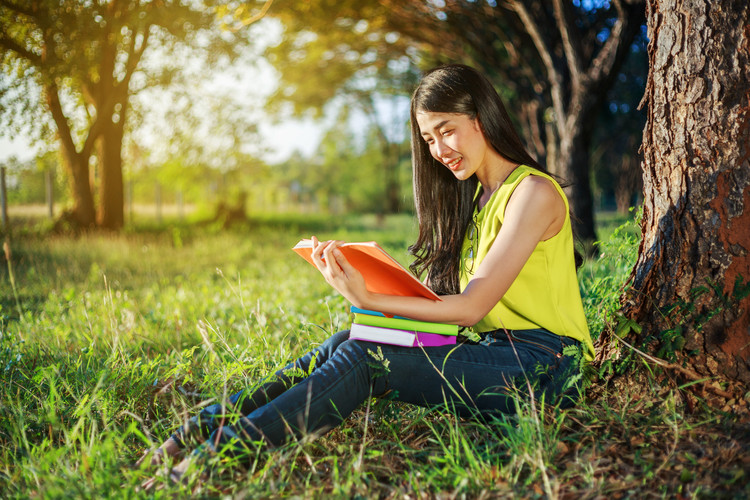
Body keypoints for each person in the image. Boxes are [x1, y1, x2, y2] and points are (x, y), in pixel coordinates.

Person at [137, 64, 594, 487]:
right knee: (346, 341)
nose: (438, 151)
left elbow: (472, 308)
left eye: (446, 131)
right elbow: (459, 315)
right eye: (429, 139)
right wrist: (374, 288)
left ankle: (213, 459)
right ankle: (199, 430)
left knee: (369, 356)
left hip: (547, 367)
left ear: (481, 117)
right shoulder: (478, 201)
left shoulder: (532, 192)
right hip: (494, 353)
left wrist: (368, 299)